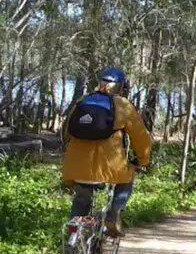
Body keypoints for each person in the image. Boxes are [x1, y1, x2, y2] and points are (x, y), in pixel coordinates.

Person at [62, 67, 152, 237]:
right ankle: (114, 212)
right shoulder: (123, 105)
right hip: (110, 167)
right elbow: (141, 137)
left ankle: (73, 244)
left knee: (82, 199)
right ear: (120, 86)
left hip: (75, 166)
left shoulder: (83, 100)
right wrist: (142, 160)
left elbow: (67, 132)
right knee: (128, 177)